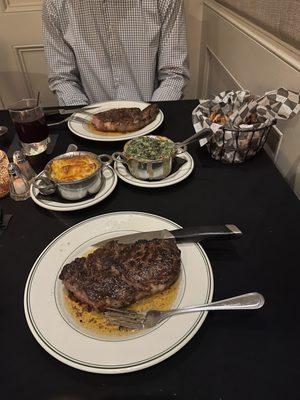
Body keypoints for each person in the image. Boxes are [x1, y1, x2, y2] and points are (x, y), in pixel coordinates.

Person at [42, 0, 190, 106]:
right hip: (89, 117)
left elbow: (174, 73)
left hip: (151, 113)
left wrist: (148, 115)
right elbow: (62, 78)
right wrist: (86, 117)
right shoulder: (56, 4)